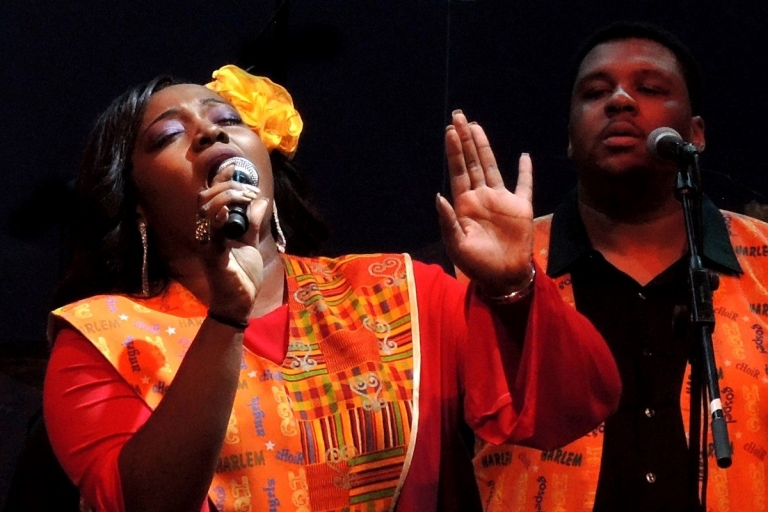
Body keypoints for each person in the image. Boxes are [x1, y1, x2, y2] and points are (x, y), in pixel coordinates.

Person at [43, 64, 620, 512]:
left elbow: (572, 412)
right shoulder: (101, 340)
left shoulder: (402, 295)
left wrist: (514, 288)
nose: (209, 132)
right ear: (137, 205)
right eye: (169, 135)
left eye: (227, 118)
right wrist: (225, 319)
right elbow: (144, 504)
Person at [473, 22, 768, 512]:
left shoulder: (762, 260)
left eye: (650, 89)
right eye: (595, 92)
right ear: (570, 138)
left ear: (695, 133)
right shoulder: (497, 268)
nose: (620, 101)